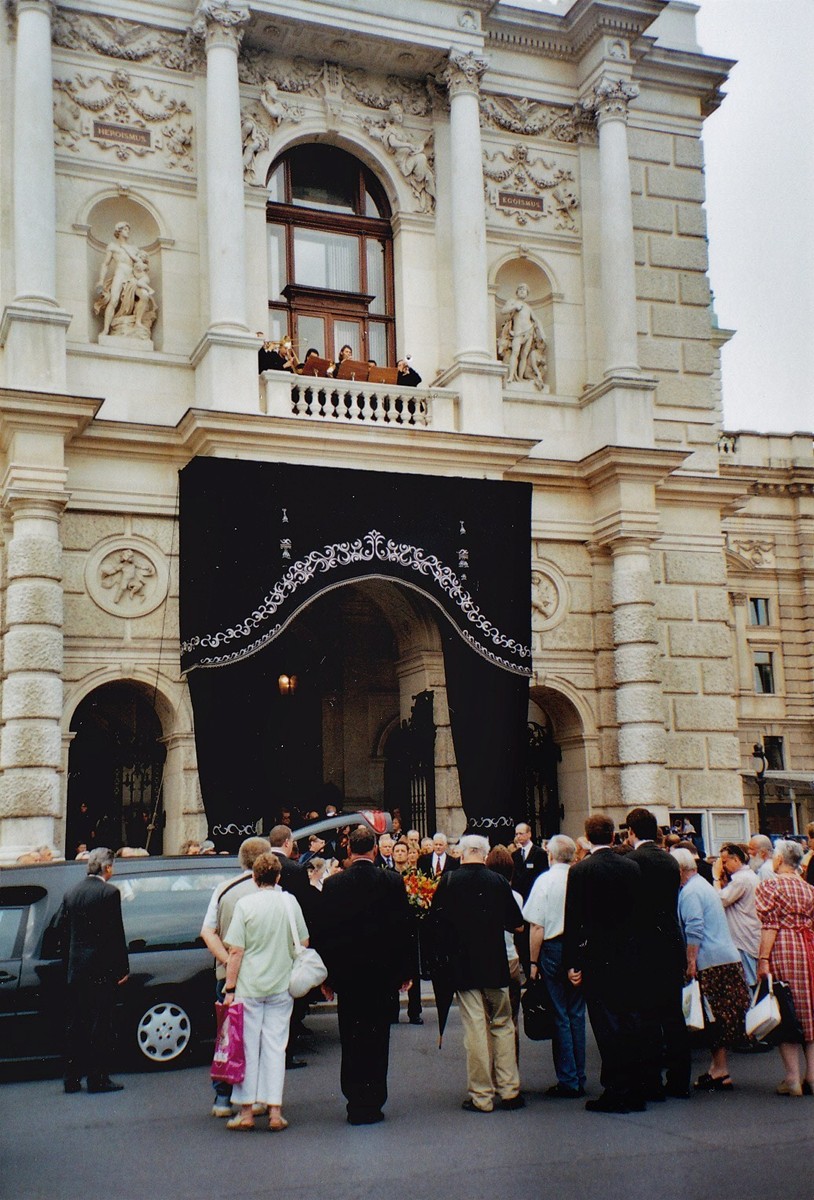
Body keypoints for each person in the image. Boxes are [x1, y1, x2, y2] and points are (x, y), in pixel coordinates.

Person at [317, 825, 413, 1124]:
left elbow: (325, 934)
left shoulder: (334, 885)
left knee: (352, 1037)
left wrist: (327, 979)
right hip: (382, 975)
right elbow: (403, 930)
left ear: (349, 850)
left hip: (348, 976)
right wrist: (405, 972)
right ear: (374, 849)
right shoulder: (393, 881)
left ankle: (355, 1100)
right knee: (377, 1037)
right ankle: (373, 1099)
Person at [430, 834, 524, 1113]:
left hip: (464, 967)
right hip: (495, 964)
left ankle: (482, 1095)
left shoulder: (448, 881)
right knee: (503, 1025)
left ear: (461, 852)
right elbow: (516, 924)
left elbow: (437, 924)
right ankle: (510, 1090)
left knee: (475, 1030)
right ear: (483, 854)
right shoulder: (497, 881)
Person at [563, 813, 645, 1113]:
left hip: (598, 958)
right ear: (613, 836)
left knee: (606, 1026)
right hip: (629, 956)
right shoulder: (631, 866)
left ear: (587, 836)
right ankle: (633, 1088)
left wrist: (572, 962)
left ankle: (616, 1090)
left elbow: (573, 919)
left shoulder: (582, 870)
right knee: (629, 1021)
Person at [222, 852, 309, 1131]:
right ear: (279, 877)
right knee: (275, 1047)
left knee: (247, 1048)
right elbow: (303, 940)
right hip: (281, 985)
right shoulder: (289, 902)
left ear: (254, 877)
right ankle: (274, 1111)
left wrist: (230, 987)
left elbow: (236, 950)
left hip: (249, 985)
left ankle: (246, 1112)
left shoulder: (245, 905)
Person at [200, 835, 271, 1117]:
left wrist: (226, 958)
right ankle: (257, 1097)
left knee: (228, 1036)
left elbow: (208, 931)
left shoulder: (223, 889)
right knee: (262, 1038)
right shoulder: (271, 890)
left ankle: (222, 1097)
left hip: (228, 974)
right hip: (264, 974)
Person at [671, 847, 750, 1092]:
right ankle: (718, 1068)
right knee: (719, 1016)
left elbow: (694, 927)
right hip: (724, 954)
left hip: (710, 959)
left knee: (711, 1017)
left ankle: (720, 1069)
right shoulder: (703, 886)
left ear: (681, 870)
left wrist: (691, 961)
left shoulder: (690, 892)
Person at [626, 807, 690, 1100]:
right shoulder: (670, 860)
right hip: (670, 940)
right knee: (673, 1015)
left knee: (647, 1016)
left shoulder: (631, 862)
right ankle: (679, 1081)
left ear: (631, 831)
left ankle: (651, 1080)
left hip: (643, 944)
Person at [59, 847, 129, 1094]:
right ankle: (97, 1078)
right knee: (100, 1025)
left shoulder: (71, 892)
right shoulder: (109, 893)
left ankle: (71, 1078)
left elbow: (62, 930)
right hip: (101, 968)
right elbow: (115, 933)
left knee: (76, 1023)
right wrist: (123, 967)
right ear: (107, 867)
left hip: (76, 967)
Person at [524, 834, 586, 1099]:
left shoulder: (545, 880)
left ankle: (568, 1078)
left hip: (552, 947)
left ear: (550, 855)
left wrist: (533, 962)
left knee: (560, 1013)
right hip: (578, 948)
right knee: (576, 1013)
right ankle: (578, 1075)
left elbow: (536, 926)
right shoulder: (579, 877)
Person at [755, 838, 814, 1096]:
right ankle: (812, 1076)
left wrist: (763, 959)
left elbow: (770, 925)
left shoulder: (771, 886)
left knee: (785, 1008)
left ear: (778, 859)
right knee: (808, 1010)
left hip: (782, 947)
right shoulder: (808, 888)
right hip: (807, 946)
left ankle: (792, 1078)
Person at [485, 845, 524, 1059]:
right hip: (510, 959)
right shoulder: (516, 897)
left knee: (489, 1021)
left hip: (488, 961)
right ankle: (511, 1073)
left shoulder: (483, 895)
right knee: (511, 1020)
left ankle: (492, 1074)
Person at [715, 842, 761, 987]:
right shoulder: (748, 876)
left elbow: (719, 900)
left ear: (735, 860)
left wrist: (716, 878)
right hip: (748, 934)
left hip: (744, 937)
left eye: (724, 862)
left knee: (749, 982)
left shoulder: (741, 879)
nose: (723, 866)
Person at [511, 822, 548, 978]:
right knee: (522, 941)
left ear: (529, 834)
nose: (518, 836)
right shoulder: (515, 855)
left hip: (535, 901)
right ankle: (527, 973)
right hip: (521, 904)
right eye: (517, 834)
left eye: (521, 833)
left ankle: (537, 973)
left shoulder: (539, 854)